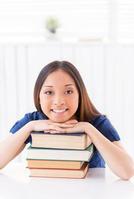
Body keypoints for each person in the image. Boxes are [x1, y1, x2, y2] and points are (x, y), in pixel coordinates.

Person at [0, 60, 134, 180]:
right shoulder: (32, 121)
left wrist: (88, 129)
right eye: (49, 92)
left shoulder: (97, 122)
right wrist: (30, 127)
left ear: (80, 94)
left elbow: (127, 172)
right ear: (39, 96)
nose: (59, 102)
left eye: (68, 92)